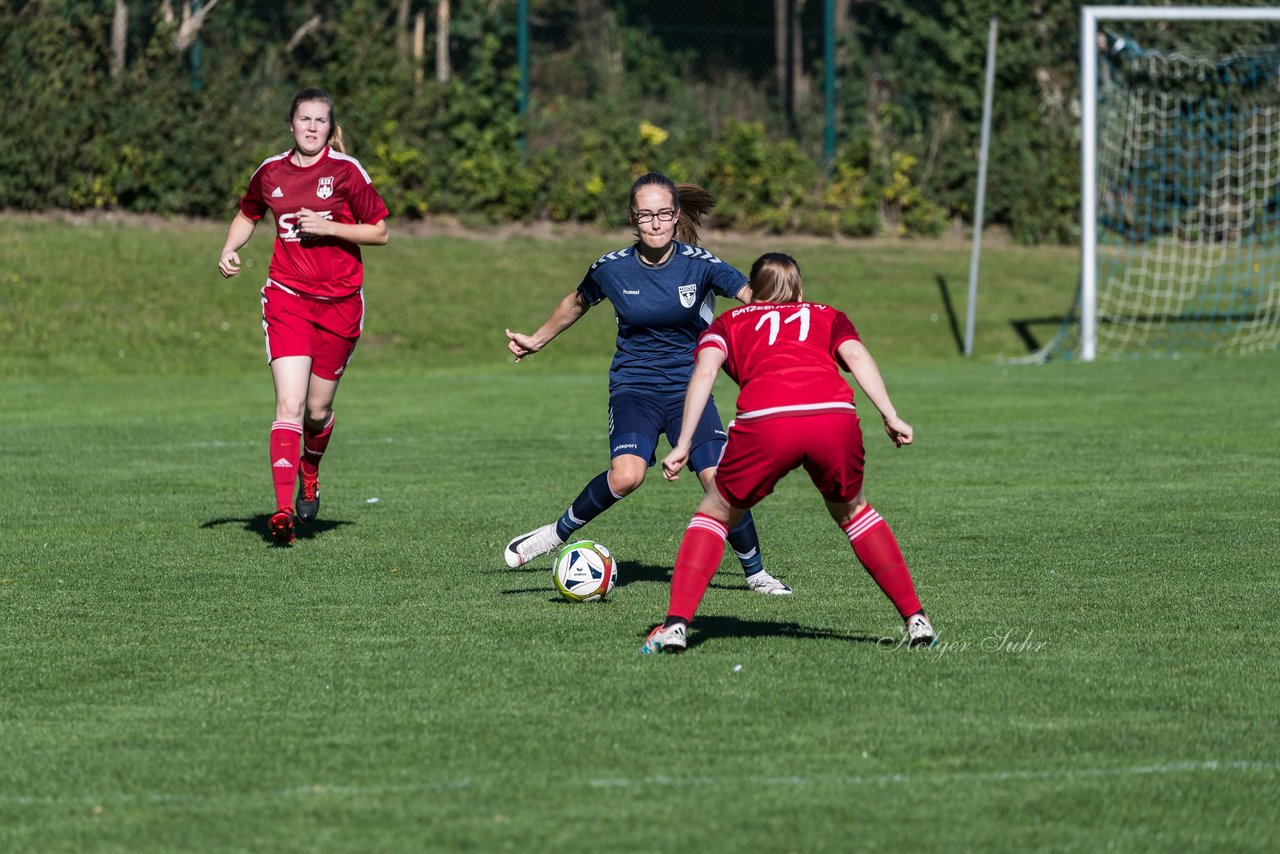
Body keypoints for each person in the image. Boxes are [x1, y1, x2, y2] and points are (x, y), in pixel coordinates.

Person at [503, 172, 791, 594]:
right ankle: (554, 534)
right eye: (645, 216)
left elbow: (753, 298)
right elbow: (577, 301)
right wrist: (537, 340)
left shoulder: (701, 264)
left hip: (689, 392)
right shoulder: (612, 268)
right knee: (626, 475)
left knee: (720, 481)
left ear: (675, 216)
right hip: (634, 387)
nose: (654, 224)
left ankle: (756, 574)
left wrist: (788, 321)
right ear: (633, 219)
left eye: (662, 214)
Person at [642, 252, 937, 654]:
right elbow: (856, 356)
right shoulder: (828, 315)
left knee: (714, 512)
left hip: (768, 420)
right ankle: (917, 619)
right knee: (854, 513)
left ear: (752, 290)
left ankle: (676, 625)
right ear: (799, 289)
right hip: (833, 416)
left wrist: (682, 443)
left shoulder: (727, 323)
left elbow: (705, 373)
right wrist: (891, 414)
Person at [217, 88, 389, 545]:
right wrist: (230, 248)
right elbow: (248, 212)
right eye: (304, 119)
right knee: (289, 405)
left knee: (317, 410)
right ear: (291, 124)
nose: (312, 127)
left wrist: (328, 226)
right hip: (286, 297)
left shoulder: (347, 172)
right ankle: (282, 510)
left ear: (331, 129)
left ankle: (309, 470)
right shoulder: (270, 172)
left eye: (320, 121)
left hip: (340, 303)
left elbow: (380, 232)